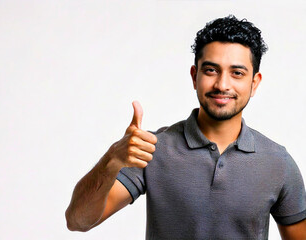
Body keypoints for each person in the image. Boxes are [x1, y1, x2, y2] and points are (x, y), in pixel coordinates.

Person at [65, 15, 306, 239]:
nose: (222, 84)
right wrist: (113, 159)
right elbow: (78, 220)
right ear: (194, 76)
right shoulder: (152, 149)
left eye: (237, 73)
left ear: (254, 83)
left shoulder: (278, 162)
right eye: (211, 70)